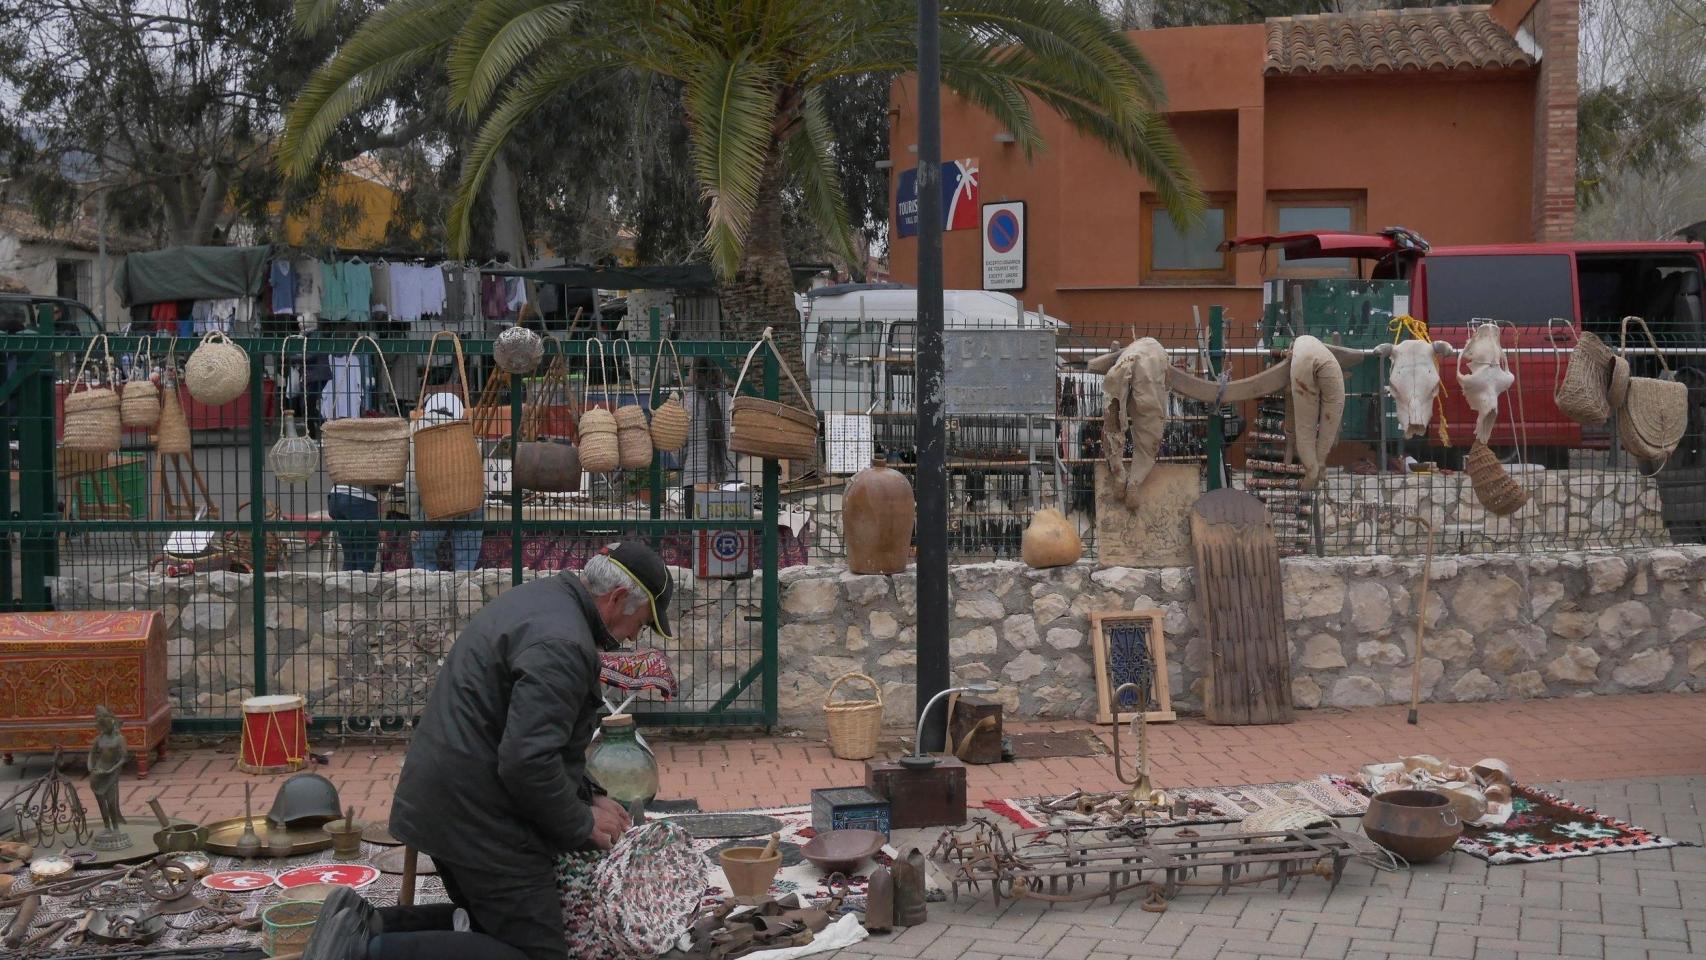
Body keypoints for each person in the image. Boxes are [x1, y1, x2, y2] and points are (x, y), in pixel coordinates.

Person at [303, 542, 679, 960]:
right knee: (537, 951)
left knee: (490, 926)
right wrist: (579, 821)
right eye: (640, 624)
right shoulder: (563, 643)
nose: (632, 637)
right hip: (476, 816)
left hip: (453, 799)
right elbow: (526, 761)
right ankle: (362, 951)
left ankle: (365, 925)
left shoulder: (545, 599)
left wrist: (588, 795)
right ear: (617, 599)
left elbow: (528, 738)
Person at [407, 369, 484, 571]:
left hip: (434, 507)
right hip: (470, 504)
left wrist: (415, 521)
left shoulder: (419, 433)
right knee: (465, 563)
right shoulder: (466, 431)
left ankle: (427, 598)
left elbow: (412, 480)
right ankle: (465, 597)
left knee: (424, 558)